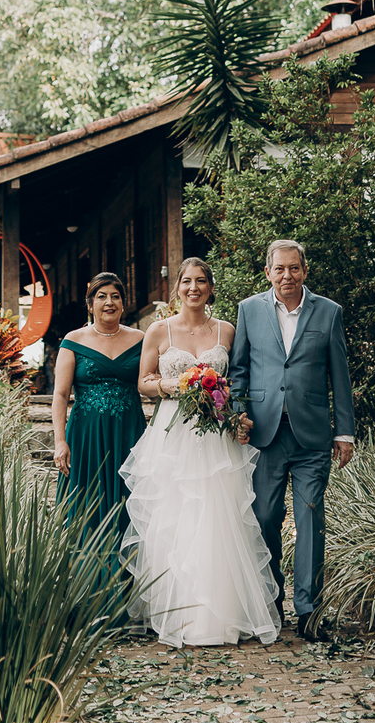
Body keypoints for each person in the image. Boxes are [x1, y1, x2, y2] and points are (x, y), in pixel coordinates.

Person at [119, 256, 281, 647]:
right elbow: (142, 382)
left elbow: (239, 377)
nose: (194, 288)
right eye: (187, 281)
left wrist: (235, 413)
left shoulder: (226, 329)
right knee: (175, 516)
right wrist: (174, 387)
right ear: (177, 287)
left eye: (202, 281)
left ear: (210, 287)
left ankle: (220, 615)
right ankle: (176, 613)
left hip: (215, 434)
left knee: (217, 516)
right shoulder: (159, 330)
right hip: (173, 435)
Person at [228, 239, 355, 640]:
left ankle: (308, 610)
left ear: (304, 270)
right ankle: (271, 601)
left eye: (294, 268)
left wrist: (344, 431)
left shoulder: (329, 312)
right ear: (268, 273)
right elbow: (239, 370)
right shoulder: (249, 310)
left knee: (310, 518)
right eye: (279, 269)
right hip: (264, 434)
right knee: (265, 518)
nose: (287, 276)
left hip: (312, 435)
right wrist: (237, 414)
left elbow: (340, 376)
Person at [52, 274, 146, 574]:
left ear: (123, 302)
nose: (109, 302)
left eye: (115, 296)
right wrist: (59, 441)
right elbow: (61, 394)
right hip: (86, 439)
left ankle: (126, 587)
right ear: (90, 304)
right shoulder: (73, 341)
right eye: (102, 296)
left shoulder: (141, 339)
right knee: (86, 506)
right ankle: (87, 589)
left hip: (128, 435)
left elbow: (151, 381)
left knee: (128, 503)